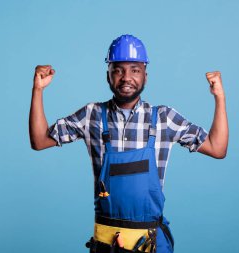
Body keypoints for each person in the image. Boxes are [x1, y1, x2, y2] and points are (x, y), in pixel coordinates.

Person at [29, 34, 228, 253]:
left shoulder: (163, 118)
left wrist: (219, 97)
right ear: (108, 76)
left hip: (150, 244)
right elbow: (39, 141)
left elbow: (217, 148)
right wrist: (37, 90)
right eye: (118, 70)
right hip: (106, 244)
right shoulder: (92, 115)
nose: (126, 77)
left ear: (145, 76)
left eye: (134, 70)